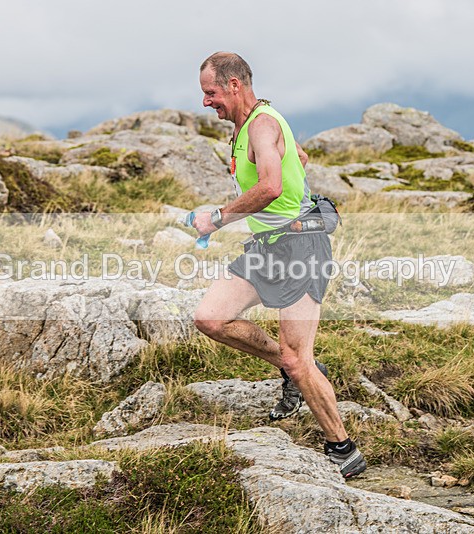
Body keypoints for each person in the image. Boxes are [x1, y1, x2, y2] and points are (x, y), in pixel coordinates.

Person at [191, 52, 366, 478]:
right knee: (210, 318)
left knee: (297, 357)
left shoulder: (263, 124)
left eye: (210, 93)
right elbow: (299, 160)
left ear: (234, 85)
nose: (205, 102)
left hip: (302, 249)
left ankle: (343, 449)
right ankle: (292, 368)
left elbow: (270, 185)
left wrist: (217, 218)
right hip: (269, 245)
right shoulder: (248, 126)